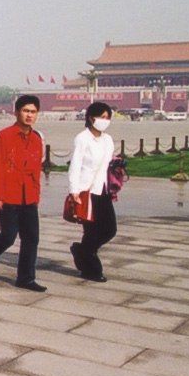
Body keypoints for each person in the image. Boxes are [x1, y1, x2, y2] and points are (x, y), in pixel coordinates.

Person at [0, 95, 46, 291]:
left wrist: (36, 194)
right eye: (25, 111)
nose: (29, 115)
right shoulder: (4, 136)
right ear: (16, 112)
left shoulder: (37, 138)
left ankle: (26, 278)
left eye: (33, 112)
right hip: (9, 194)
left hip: (29, 195)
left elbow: (36, 169)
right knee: (8, 236)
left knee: (31, 238)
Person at [68, 102, 117, 283]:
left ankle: (82, 251)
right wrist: (74, 190)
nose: (105, 121)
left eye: (108, 118)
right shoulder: (83, 138)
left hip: (102, 189)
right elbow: (75, 165)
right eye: (102, 117)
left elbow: (107, 164)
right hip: (85, 191)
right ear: (91, 118)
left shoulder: (108, 139)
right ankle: (92, 269)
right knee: (91, 231)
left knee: (109, 229)